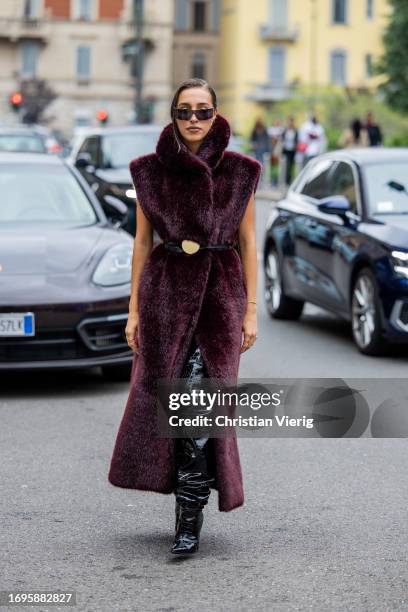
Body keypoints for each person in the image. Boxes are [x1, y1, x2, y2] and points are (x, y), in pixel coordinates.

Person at [108, 78, 262, 556]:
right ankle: (188, 499)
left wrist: (251, 311)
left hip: (221, 297)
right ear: (172, 115)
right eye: (184, 111)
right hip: (165, 296)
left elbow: (249, 242)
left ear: (217, 114)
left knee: (197, 407)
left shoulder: (241, 172)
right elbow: (140, 244)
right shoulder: (148, 172)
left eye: (203, 111)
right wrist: (133, 309)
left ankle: (188, 520)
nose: (194, 120)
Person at [281, 115, 298, 185]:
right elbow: (282, 139)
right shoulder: (285, 130)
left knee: (291, 165)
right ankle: (284, 179)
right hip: (286, 150)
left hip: (292, 151)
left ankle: (289, 180)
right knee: (286, 164)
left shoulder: (295, 131)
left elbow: (296, 140)